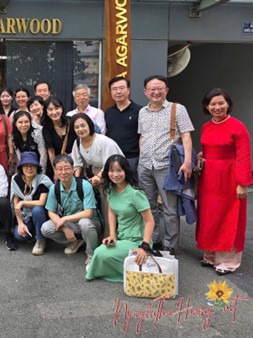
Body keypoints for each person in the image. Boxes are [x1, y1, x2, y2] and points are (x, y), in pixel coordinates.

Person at [196, 88, 252, 275]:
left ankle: (228, 260)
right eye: (213, 104)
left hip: (229, 178)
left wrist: (243, 183)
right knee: (210, 216)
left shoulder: (238, 127)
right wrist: (200, 157)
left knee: (229, 217)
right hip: (209, 179)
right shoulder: (206, 126)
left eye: (221, 103)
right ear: (206, 106)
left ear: (228, 104)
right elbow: (207, 149)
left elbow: (244, 157)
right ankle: (211, 254)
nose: (217, 107)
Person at [138, 75, 194, 254]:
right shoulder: (142, 112)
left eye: (159, 88)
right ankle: (153, 239)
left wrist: (187, 162)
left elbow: (186, 135)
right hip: (145, 165)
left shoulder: (177, 109)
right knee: (148, 205)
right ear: (145, 92)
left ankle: (170, 244)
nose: (156, 92)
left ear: (166, 90)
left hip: (166, 166)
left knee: (170, 208)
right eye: (152, 89)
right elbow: (142, 136)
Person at [86, 155, 154, 282]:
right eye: (111, 171)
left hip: (138, 240)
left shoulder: (135, 193)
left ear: (126, 171)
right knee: (101, 252)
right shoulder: (111, 189)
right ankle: (130, 271)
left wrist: (144, 246)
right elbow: (112, 211)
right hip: (122, 237)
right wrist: (112, 235)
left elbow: (150, 221)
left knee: (100, 253)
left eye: (119, 170)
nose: (115, 174)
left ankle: (131, 272)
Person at [41, 155, 101, 268]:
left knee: (84, 223)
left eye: (67, 168)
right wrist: (65, 228)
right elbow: (51, 212)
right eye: (59, 169)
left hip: (92, 222)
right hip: (71, 224)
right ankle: (76, 240)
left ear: (73, 169)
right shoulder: (54, 188)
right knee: (46, 228)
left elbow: (88, 213)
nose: (63, 172)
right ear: (55, 171)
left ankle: (92, 255)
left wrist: (64, 219)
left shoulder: (84, 185)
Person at [70, 112, 123, 235]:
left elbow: (110, 163)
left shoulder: (103, 141)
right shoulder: (77, 143)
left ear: (89, 125)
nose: (80, 129)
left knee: (107, 205)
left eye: (83, 125)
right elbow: (77, 164)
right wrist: (77, 183)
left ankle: (109, 235)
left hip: (113, 174)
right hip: (94, 176)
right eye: (76, 127)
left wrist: (98, 177)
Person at [11, 151, 53, 255]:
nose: (29, 169)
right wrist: (20, 223)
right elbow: (16, 202)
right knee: (19, 236)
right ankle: (34, 231)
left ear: (37, 167)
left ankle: (40, 240)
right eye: (26, 166)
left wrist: (23, 202)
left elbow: (41, 202)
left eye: (32, 166)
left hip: (42, 214)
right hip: (25, 215)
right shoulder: (16, 179)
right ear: (21, 167)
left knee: (37, 210)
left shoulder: (43, 180)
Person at [104, 77, 142, 177]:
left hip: (132, 158)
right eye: (115, 89)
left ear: (128, 90)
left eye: (121, 88)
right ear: (111, 92)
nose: (118, 92)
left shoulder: (139, 111)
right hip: (112, 157)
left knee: (133, 184)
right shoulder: (108, 112)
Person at [41, 96, 74, 178]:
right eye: (50, 109)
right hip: (57, 165)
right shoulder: (46, 128)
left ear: (62, 109)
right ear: (46, 112)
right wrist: (56, 171)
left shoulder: (71, 122)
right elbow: (51, 151)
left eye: (57, 108)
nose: (54, 112)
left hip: (74, 164)